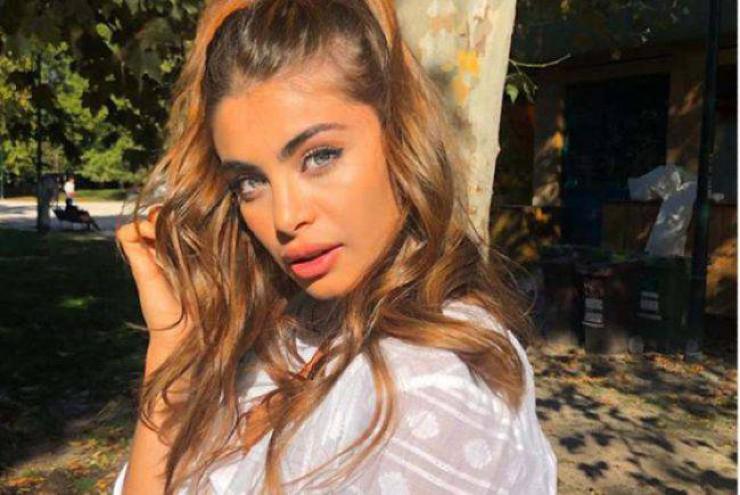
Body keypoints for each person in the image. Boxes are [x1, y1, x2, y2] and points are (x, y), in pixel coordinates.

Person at [114, 0, 557, 494]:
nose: (285, 218)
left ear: (399, 135)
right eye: (249, 182)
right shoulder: (293, 328)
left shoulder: (432, 385)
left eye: (320, 156)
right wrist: (176, 343)